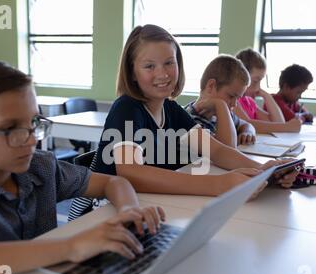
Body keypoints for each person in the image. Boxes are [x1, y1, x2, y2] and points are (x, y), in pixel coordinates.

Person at [0, 57, 165, 274]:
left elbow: (114, 182)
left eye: (34, 122)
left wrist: (128, 210)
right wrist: (70, 246)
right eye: (10, 128)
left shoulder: (40, 167)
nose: (32, 139)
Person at [86, 25, 297, 209]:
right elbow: (131, 172)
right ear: (132, 72)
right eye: (149, 66)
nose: (163, 74)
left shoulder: (171, 109)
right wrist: (219, 185)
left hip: (144, 204)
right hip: (101, 211)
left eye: (169, 62)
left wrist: (262, 170)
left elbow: (215, 150)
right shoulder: (126, 108)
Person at [184, 54, 256, 148]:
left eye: (237, 98)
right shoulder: (190, 120)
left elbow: (246, 124)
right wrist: (220, 104)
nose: (234, 104)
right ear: (211, 86)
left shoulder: (218, 115)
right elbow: (228, 150)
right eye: (231, 96)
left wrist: (248, 132)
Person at [235, 48, 301, 133]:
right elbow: (246, 124)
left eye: (261, 80)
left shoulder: (250, 102)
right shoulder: (232, 101)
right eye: (255, 81)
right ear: (241, 77)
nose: (258, 87)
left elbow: (279, 122)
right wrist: (288, 127)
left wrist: (267, 96)